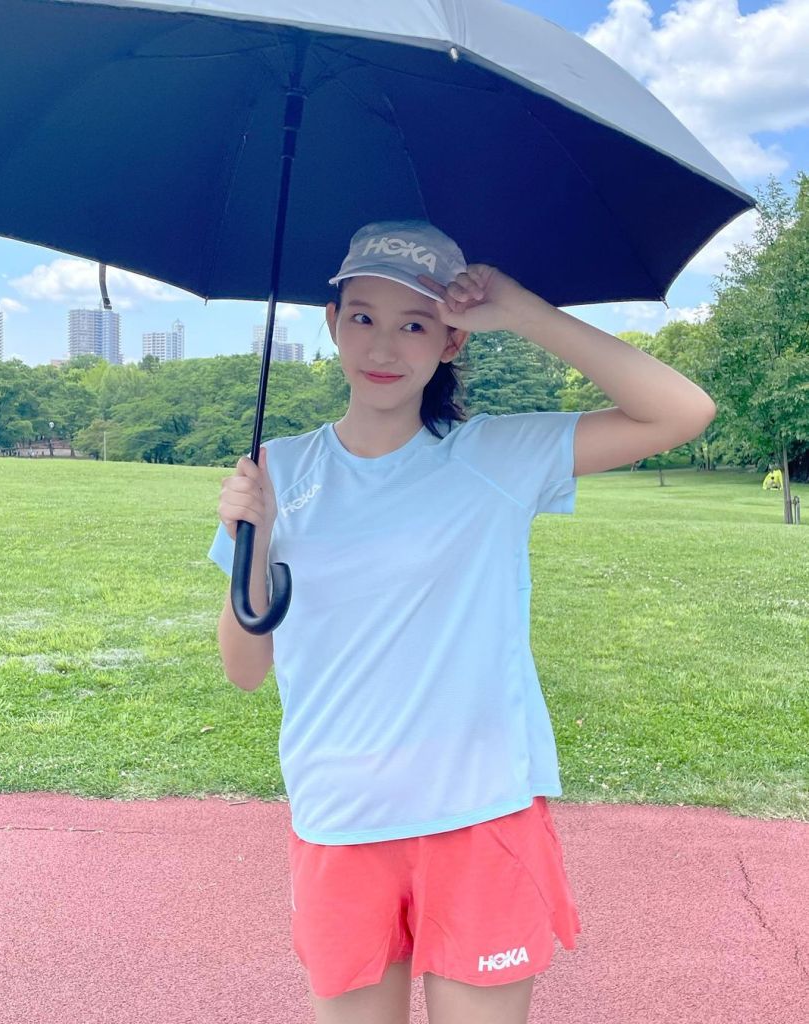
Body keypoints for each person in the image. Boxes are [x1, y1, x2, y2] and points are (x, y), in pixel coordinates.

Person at [206, 219, 642, 1022]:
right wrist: (253, 538)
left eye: (415, 324)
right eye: (363, 316)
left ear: (451, 340)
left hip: (480, 813)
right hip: (340, 816)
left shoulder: (497, 457)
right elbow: (244, 670)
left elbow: (677, 412)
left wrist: (523, 312)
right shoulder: (276, 470)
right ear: (332, 323)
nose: (383, 346)